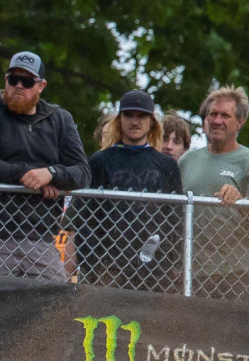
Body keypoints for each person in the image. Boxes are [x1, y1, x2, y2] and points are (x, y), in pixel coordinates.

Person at [0, 50, 89, 280]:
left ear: (41, 86)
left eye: (27, 81)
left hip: (39, 233)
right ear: (5, 80)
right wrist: (28, 176)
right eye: (13, 79)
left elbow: (82, 172)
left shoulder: (59, 119)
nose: (19, 86)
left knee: (55, 293)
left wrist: (51, 174)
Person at [78, 89, 185, 289]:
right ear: (120, 119)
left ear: (151, 121)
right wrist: (94, 264)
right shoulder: (100, 160)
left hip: (154, 266)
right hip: (109, 266)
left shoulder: (166, 165)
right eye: (129, 115)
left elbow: (176, 219)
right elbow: (85, 217)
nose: (135, 121)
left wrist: (170, 262)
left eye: (141, 115)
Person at [178, 86, 249, 208]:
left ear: (239, 122)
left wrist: (240, 201)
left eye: (225, 115)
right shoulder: (187, 160)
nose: (217, 121)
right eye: (213, 114)